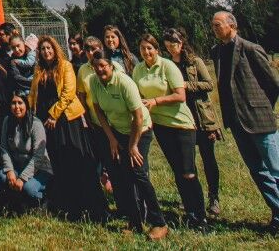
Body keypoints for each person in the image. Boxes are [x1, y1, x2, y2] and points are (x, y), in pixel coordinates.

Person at [210, 11, 279, 233]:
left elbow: (272, 83)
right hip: (236, 123)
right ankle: (277, 212)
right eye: (213, 25)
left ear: (232, 25)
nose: (214, 28)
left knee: (275, 169)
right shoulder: (216, 52)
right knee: (257, 171)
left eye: (218, 24)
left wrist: (260, 106)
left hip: (259, 120)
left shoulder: (250, 48)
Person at [90, 52, 168, 241]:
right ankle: (135, 222)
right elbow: (98, 110)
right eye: (96, 66)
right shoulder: (94, 81)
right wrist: (111, 139)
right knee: (124, 175)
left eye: (103, 66)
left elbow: (138, 117)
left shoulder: (124, 83)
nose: (100, 70)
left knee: (138, 173)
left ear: (111, 66)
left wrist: (133, 145)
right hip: (118, 131)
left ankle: (159, 223)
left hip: (140, 131)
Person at [29, 35, 107, 221]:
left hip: (67, 121)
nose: (46, 52)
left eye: (49, 48)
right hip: (47, 123)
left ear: (55, 49)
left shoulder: (65, 66)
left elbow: (68, 93)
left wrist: (54, 114)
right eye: (43, 49)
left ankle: (91, 206)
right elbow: (33, 94)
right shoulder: (39, 69)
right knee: (58, 163)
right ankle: (66, 204)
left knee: (77, 161)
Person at [133, 33, 207, 228]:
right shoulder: (138, 70)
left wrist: (156, 101)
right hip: (161, 126)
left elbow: (180, 95)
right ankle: (190, 213)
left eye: (150, 48)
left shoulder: (167, 66)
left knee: (188, 172)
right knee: (177, 171)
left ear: (157, 50)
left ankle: (201, 217)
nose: (146, 52)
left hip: (181, 124)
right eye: (142, 48)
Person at [163, 27, 223, 217]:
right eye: (168, 44)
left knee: (208, 158)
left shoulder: (194, 61)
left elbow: (209, 84)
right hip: (181, 117)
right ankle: (191, 196)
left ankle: (214, 197)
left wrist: (185, 86)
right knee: (187, 161)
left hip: (201, 117)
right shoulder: (167, 65)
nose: (172, 47)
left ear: (181, 42)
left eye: (174, 43)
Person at [74, 36, 120, 194]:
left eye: (94, 49)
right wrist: (86, 119)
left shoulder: (113, 66)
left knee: (120, 159)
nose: (91, 52)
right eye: (87, 50)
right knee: (105, 157)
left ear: (101, 48)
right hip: (96, 121)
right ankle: (111, 189)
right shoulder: (83, 70)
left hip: (116, 120)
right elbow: (81, 96)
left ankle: (126, 192)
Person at [0, 92, 52, 211]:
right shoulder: (7, 121)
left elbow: (38, 156)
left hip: (39, 169)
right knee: (3, 177)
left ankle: (43, 199)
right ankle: (20, 203)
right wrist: (9, 170)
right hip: (19, 166)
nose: (17, 107)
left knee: (29, 189)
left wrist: (22, 178)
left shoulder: (36, 124)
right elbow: (4, 148)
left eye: (20, 103)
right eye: (13, 103)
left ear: (26, 105)